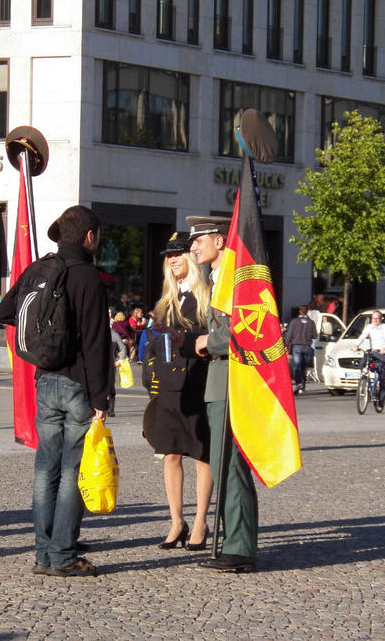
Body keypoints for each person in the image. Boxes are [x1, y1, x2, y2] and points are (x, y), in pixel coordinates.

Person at [28, 205, 113, 577]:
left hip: (44, 379)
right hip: (77, 384)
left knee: (46, 467)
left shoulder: (40, 270)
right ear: (90, 237)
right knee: (74, 469)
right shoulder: (87, 277)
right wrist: (102, 396)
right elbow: (96, 342)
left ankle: (44, 551)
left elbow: (4, 312)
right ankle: (62, 555)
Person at [184, 215, 257, 574]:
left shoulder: (232, 279)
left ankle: (240, 546)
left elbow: (246, 330)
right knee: (222, 464)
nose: (193, 246)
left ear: (219, 241)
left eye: (199, 240)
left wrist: (207, 341)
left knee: (230, 466)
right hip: (219, 382)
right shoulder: (218, 278)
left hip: (231, 382)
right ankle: (234, 541)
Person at [143, 232, 212, 551]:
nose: (173, 259)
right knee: (170, 454)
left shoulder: (208, 294)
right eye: (169, 256)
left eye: (180, 253)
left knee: (200, 455)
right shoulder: (164, 301)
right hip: (169, 389)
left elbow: (210, 339)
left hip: (198, 383)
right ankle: (176, 522)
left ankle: (200, 521)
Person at [351, 310, 385, 406]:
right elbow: (362, 336)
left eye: (378, 318)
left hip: (382, 353)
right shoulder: (369, 327)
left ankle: (380, 401)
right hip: (373, 352)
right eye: (374, 318)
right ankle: (364, 379)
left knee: (381, 377)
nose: (376, 320)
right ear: (371, 319)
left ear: (381, 319)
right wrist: (356, 345)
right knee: (364, 359)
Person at [285, 305, 317, 395]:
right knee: (304, 367)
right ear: (307, 312)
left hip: (297, 346)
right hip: (307, 346)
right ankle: (303, 385)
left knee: (297, 366)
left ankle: (298, 383)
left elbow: (289, 335)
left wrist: (287, 346)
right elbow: (315, 335)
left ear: (300, 311)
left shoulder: (294, 322)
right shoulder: (311, 322)